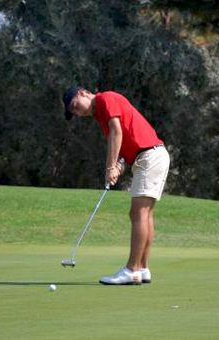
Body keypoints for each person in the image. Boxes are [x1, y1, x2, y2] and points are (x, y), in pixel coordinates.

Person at [62, 86, 170, 285]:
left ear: (82, 93)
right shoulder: (100, 115)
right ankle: (143, 269)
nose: (78, 113)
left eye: (76, 107)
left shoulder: (105, 98)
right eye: (74, 112)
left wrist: (110, 167)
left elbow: (116, 132)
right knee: (144, 214)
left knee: (138, 213)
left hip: (150, 156)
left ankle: (132, 270)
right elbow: (123, 141)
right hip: (147, 157)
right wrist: (119, 164)